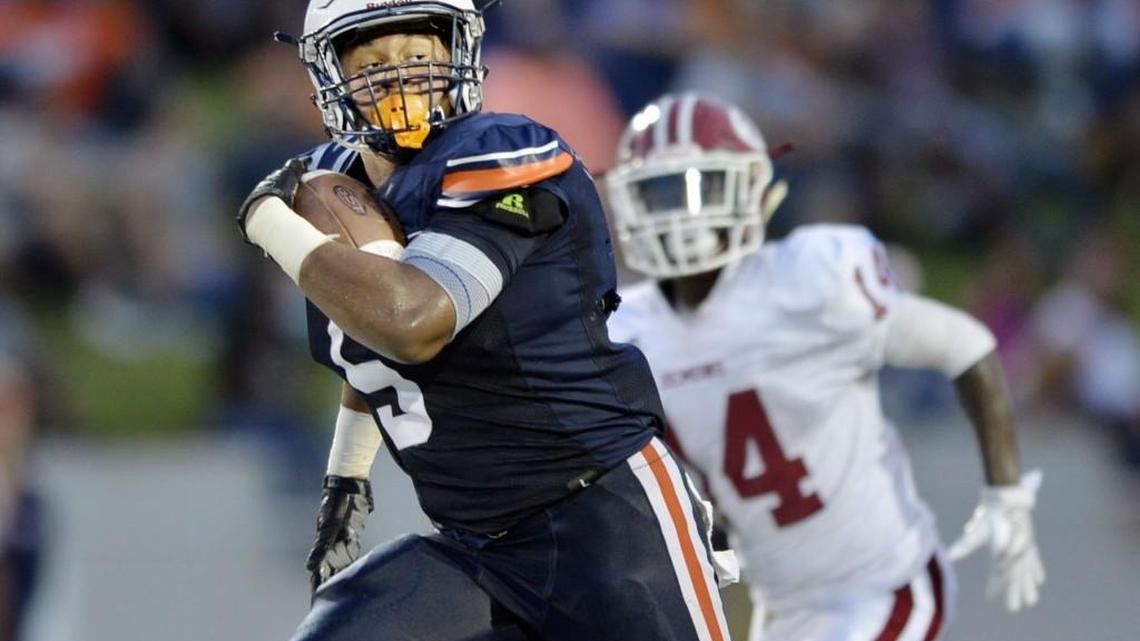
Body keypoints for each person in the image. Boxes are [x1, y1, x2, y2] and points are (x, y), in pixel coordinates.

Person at [235, 3, 733, 641]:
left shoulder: (504, 152)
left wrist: (265, 221)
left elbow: (410, 323)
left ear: (457, 54)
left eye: (418, 55)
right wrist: (347, 474)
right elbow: (367, 347)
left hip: (604, 521)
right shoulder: (336, 187)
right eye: (373, 63)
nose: (400, 77)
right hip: (473, 546)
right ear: (331, 75)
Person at [604, 93, 1045, 641]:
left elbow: (966, 345)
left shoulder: (812, 279)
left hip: (884, 585)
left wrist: (1007, 494)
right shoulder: (627, 328)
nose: (683, 215)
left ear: (751, 187)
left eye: (704, 187)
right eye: (663, 192)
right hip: (783, 608)